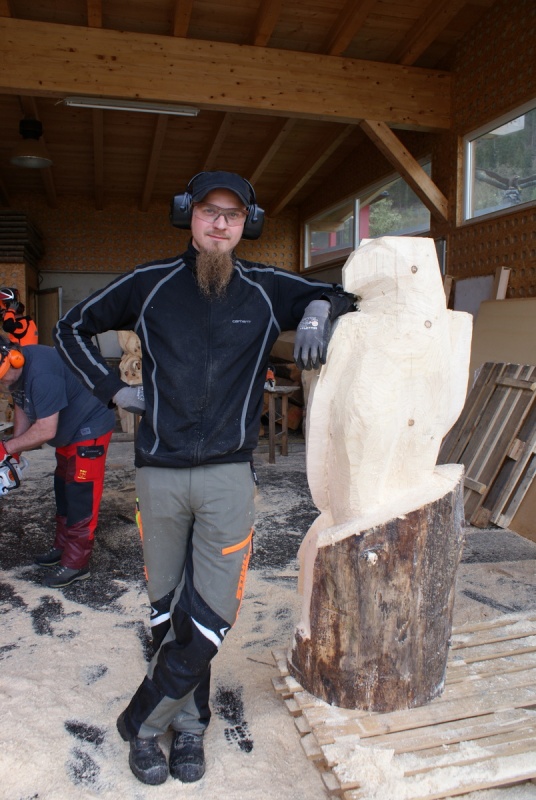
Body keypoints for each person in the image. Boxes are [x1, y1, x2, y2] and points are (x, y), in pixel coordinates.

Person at [53, 170, 356, 786]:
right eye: (209, 211)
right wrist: (113, 389)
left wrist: (319, 311)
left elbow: (342, 294)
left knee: (213, 612)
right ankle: (189, 726)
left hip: (227, 475)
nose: (221, 223)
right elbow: (70, 327)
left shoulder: (268, 289)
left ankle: (142, 723)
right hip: (159, 474)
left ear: (249, 224)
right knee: (168, 610)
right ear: (187, 215)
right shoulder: (150, 284)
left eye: (233, 215)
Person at [0, 336, 115, 588]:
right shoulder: (17, 374)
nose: (2, 382)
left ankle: (76, 563)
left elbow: (45, 430)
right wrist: (13, 452)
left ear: (13, 358)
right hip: (67, 431)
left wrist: (6, 447)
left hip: (89, 426)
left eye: (2, 376)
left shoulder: (42, 375)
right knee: (63, 486)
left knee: (81, 494)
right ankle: (62, 547)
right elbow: (22, 407)